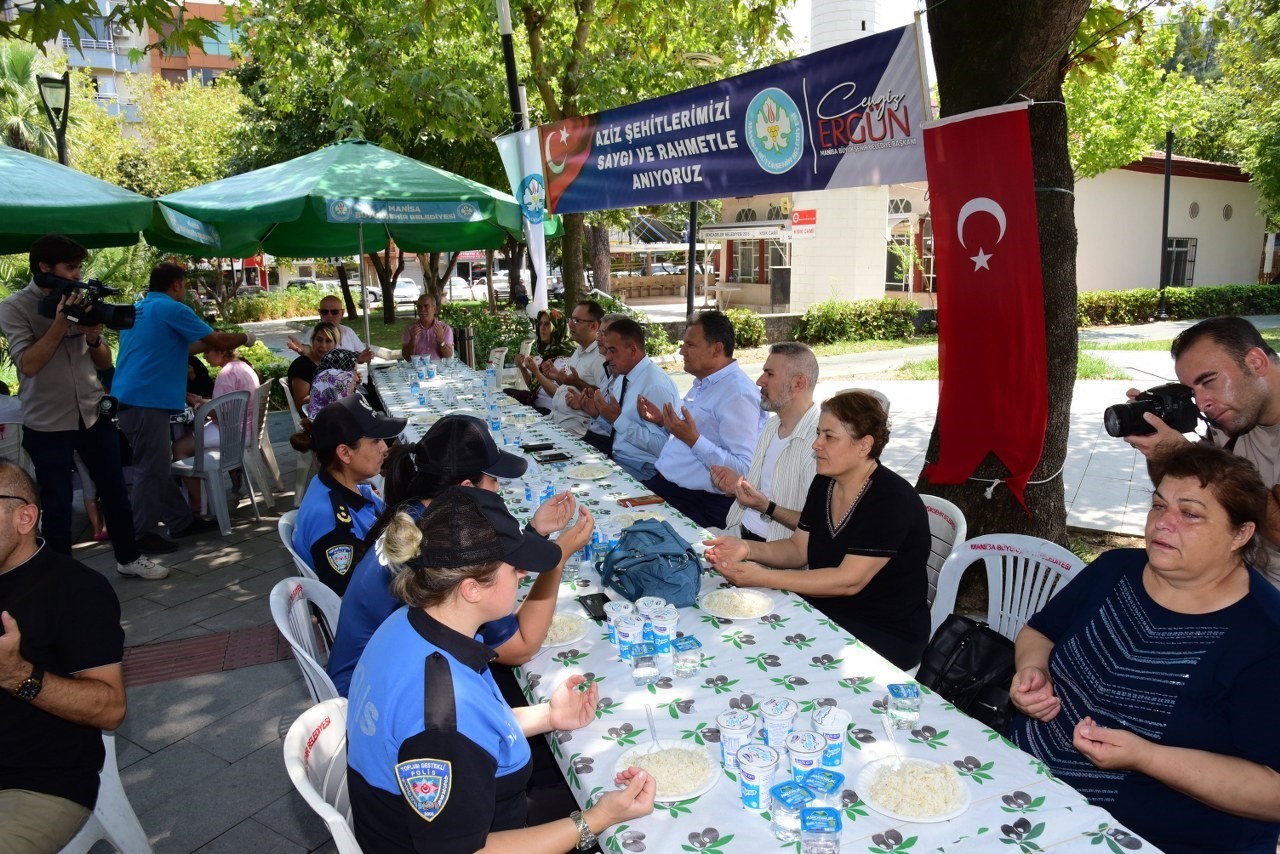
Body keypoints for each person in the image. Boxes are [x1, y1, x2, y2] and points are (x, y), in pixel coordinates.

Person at [346, 486, 655, 853]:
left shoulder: (409, 623)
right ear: (472, 589)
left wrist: (548, 715)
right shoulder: (442, 719)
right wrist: (595, 820)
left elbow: (476, 730)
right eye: (513, 567)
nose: (523, 573)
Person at [1009, 444, 1280, 853]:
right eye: (1158, 506)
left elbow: (1273, 793)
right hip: (1025, 787)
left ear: (1240, 534)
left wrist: (1147, 757)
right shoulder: (1115, 569)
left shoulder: (1265, 637)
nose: (1162, 524)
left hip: (1141, 837)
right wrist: (1034, 671)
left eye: (1190, 514)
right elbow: (1039, 632)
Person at [328, 414, 587, 696]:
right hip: (377, 696)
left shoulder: (417, 519)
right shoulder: (448, 551)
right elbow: (520, 647)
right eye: (493, 481)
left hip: (372, 679)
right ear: (466, 490)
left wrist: (534, 533)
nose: (498, 490)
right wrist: (557, 560)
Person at [704, 390, 930, 669]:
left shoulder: (891, 500)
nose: (816, 445)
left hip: (882, 632)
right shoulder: (826, 483)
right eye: (818, 433)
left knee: (768, 653)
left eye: (829, 437)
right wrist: (747, 549)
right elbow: (798, 550)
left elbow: (848, 581)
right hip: (828, 611)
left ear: (864, 445)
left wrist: (764, 577)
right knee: (739, 639)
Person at [0, 234, 166, 578]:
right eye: (70, 267)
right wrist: (62, 322)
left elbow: (104, 362)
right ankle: (61, 576)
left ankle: (129, 558)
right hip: (46, 420)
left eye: (78, 267)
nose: (77, 274)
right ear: (45, 267)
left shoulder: (80, 298)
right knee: (57, 503)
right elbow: (28, 364)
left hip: (93, 413)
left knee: (115, 491)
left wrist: (93, 337)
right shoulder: (14, 307)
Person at [0, 460, 127, 851]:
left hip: (35, 785)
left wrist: (16, 675)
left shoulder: (75, 589)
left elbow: (111, 708)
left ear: (25, 518)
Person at [1122, 316, 1280, 571]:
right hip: (1228, 574)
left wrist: (1185, 453)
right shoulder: (1230, 419)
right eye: (1192, 392)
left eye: (1208, 382)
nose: (1202, 403)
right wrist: (1159, 447)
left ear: (1256, 362)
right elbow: (1184, 492)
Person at [112, 263, 254, 546]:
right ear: (176, 285)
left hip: (129, 398)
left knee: (157, 464)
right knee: (150, 468)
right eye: (185, 286)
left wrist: (210, 342)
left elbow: (182, 347)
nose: (185, 291)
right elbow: (217, 339)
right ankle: (142, 535)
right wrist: (245, 338)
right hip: (145, 401)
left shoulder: (139, 309)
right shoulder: (172, 308)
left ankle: (181, 522)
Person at [637, 310, 765, 529]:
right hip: (667, 487)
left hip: (697, 502)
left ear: (716, 349)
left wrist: (693, 440)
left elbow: (742, 470)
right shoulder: (704, 382)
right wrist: (665, 423)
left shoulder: (738, 394)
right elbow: (699, 435)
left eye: (690, 345)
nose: (682, 351)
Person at [292, 393, 406, 595]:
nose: (384, 448)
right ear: (345, 453)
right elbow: (352, 594)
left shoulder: (339, 485)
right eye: (376, 440)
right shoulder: (332, 523)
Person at [711, 343, 822, 543]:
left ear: (798, 383)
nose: (760, 381)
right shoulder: (772, 425)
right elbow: (769, 489)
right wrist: (738, 485)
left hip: (775, 550)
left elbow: (818, 525)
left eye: (769, 374)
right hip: (740, 532)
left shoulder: (820, 441)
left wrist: (766, 507)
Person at [574, 317, 679, 481]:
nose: (607, 357)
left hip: (643, 473)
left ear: (632, 350)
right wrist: (598, 414)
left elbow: (662, 446)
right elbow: (621, 431)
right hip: (618, 461)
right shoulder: (623, 377)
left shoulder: (654, 385)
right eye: (607, 350)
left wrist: (617, 419)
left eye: (613, 350)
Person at [172, 345, 262, 513]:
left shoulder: (226, 374)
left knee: (179, 448)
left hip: (232, 431)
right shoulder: (242, 366)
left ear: (221, 351)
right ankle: (206, 493)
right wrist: (201, 399)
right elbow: (227, 404)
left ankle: (199, 502)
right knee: (190, 437)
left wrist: (196, 403)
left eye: (207, 351)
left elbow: (217, 413)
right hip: (244, 428)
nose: (204, 356)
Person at [527, 300, 606, 438]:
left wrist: (576, 382)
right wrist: (558, 377)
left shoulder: (601, 357)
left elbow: (604, 398)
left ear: (594, 326)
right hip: (555, 418)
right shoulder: (579, 350)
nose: (570, 324)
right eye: (571, 319)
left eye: (577, 321)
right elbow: (567, 388)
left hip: (576, 428)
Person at [287, 294, 397, 363]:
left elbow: (359, 356)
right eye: (325, 312)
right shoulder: (314, 333)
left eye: (334, 312)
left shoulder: (348, 332)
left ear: (342, 313)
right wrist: (303, 349)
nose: (329, 315)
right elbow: (309, 350)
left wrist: (363, 357)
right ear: (320, 313)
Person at [509, 309, 575, 412]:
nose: (542, 328)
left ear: (558, 328)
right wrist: (523, 369)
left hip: (551, 412)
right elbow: (534, 388)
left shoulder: (567, 359)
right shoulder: (546, 354)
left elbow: (560, 394)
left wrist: (536, 372)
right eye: (540, 324)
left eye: (547, 324)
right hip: (537, 408)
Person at [287, 322, 340, 411]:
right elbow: (300, 404)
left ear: (335, 344)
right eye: (319, 340)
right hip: (314, 415)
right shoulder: (301, 366)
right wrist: (329, 394)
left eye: (328, 341)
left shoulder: (331, 363)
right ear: (312, 340)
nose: (323, 345)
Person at [304, 348, 360, 420]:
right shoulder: (336, 423)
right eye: (353, 372)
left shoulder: (327, 420)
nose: (357, 378)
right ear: (337, 378)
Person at [400, 294, 454, 362]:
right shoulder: (409, 329)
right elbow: (407, 357)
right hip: (417, 368)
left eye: (426, 306)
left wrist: (441, 340)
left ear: (435, 309)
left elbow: (448, 356)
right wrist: (412, 340)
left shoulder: (445, 329)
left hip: (438, 368)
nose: (422, 310)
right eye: (419, 307)